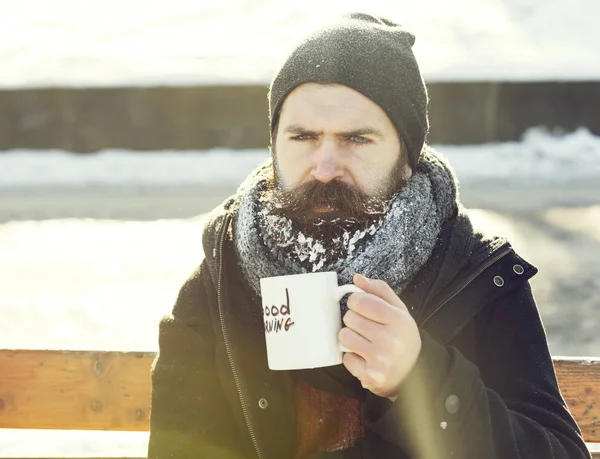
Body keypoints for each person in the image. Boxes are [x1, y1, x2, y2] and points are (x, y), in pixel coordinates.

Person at [147, 12, 590, 459]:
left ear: (407, 157)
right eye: (302, 137)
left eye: (357, 139)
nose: (324, 167)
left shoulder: (477, 279)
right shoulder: (221, 284)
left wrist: (421, 381)